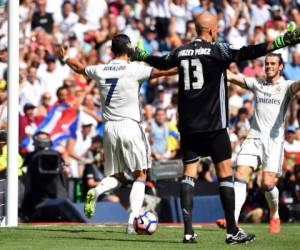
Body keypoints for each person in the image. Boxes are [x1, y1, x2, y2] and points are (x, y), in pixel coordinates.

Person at [131, 12, 300, 244]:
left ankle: (188, 233)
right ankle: (232, 230)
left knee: (188, 176)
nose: (218, 30)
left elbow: (160, 61)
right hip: (214, 125)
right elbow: (250, 51)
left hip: (189, 127)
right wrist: (282, 41)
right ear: (210, 30)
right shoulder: (218, 50)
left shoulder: (182, 51)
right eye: (217, 27)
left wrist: (140, 54)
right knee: (225, 176)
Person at [56, 34, 176, 233]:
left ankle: (97, 190)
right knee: (140, 174)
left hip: (109, 128)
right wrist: (189, 65)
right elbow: (166, 71)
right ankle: (132, 222)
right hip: (130, 125)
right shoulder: (135, 69)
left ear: (111, 50)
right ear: (129, 50)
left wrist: (66, 57)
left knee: (118, 175)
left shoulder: (100, 69)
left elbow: (78, 67)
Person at [217, 53, 300, 233]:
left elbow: (297, 85)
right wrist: (211, 62)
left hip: (274, 142)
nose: (269, 66)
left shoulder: (285, 86)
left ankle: (274, 214)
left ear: (280, 67)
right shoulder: (258, 83)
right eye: (266, 63)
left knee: (267, 183)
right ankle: (234, 221)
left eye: (272, 64)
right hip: (253, 138)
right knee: (239, 174)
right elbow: (231, 76)